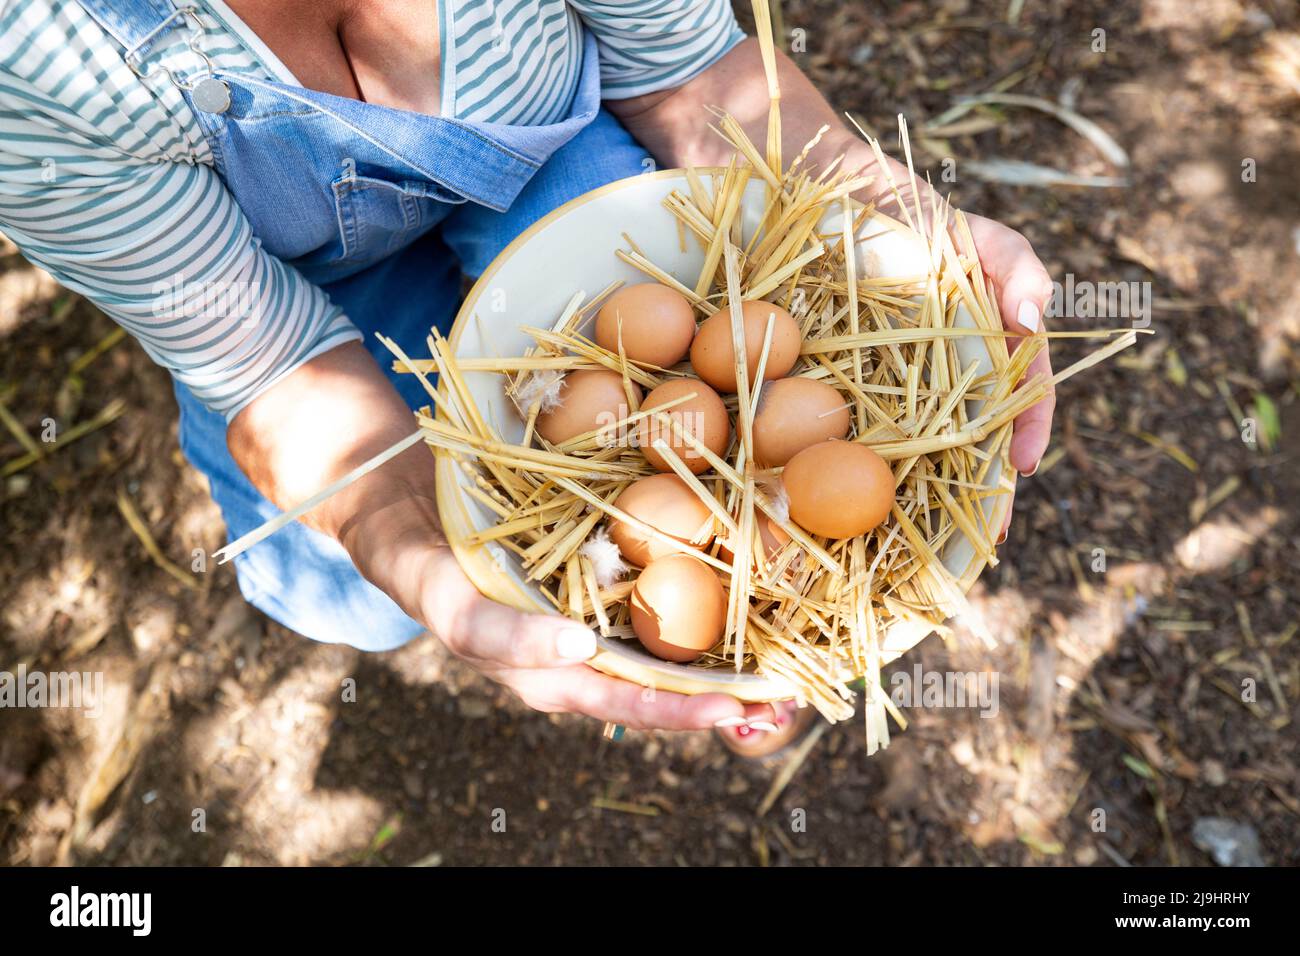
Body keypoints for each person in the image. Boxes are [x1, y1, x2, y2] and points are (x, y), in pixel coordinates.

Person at [0, 0, 1053, 751]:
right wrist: (405, 545)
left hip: (541, 143)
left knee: (634, 326)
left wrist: (878, 206)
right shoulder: (34, 59)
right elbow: (268, 363)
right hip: (289, 272)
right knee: (352, 589)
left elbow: (701, 79)